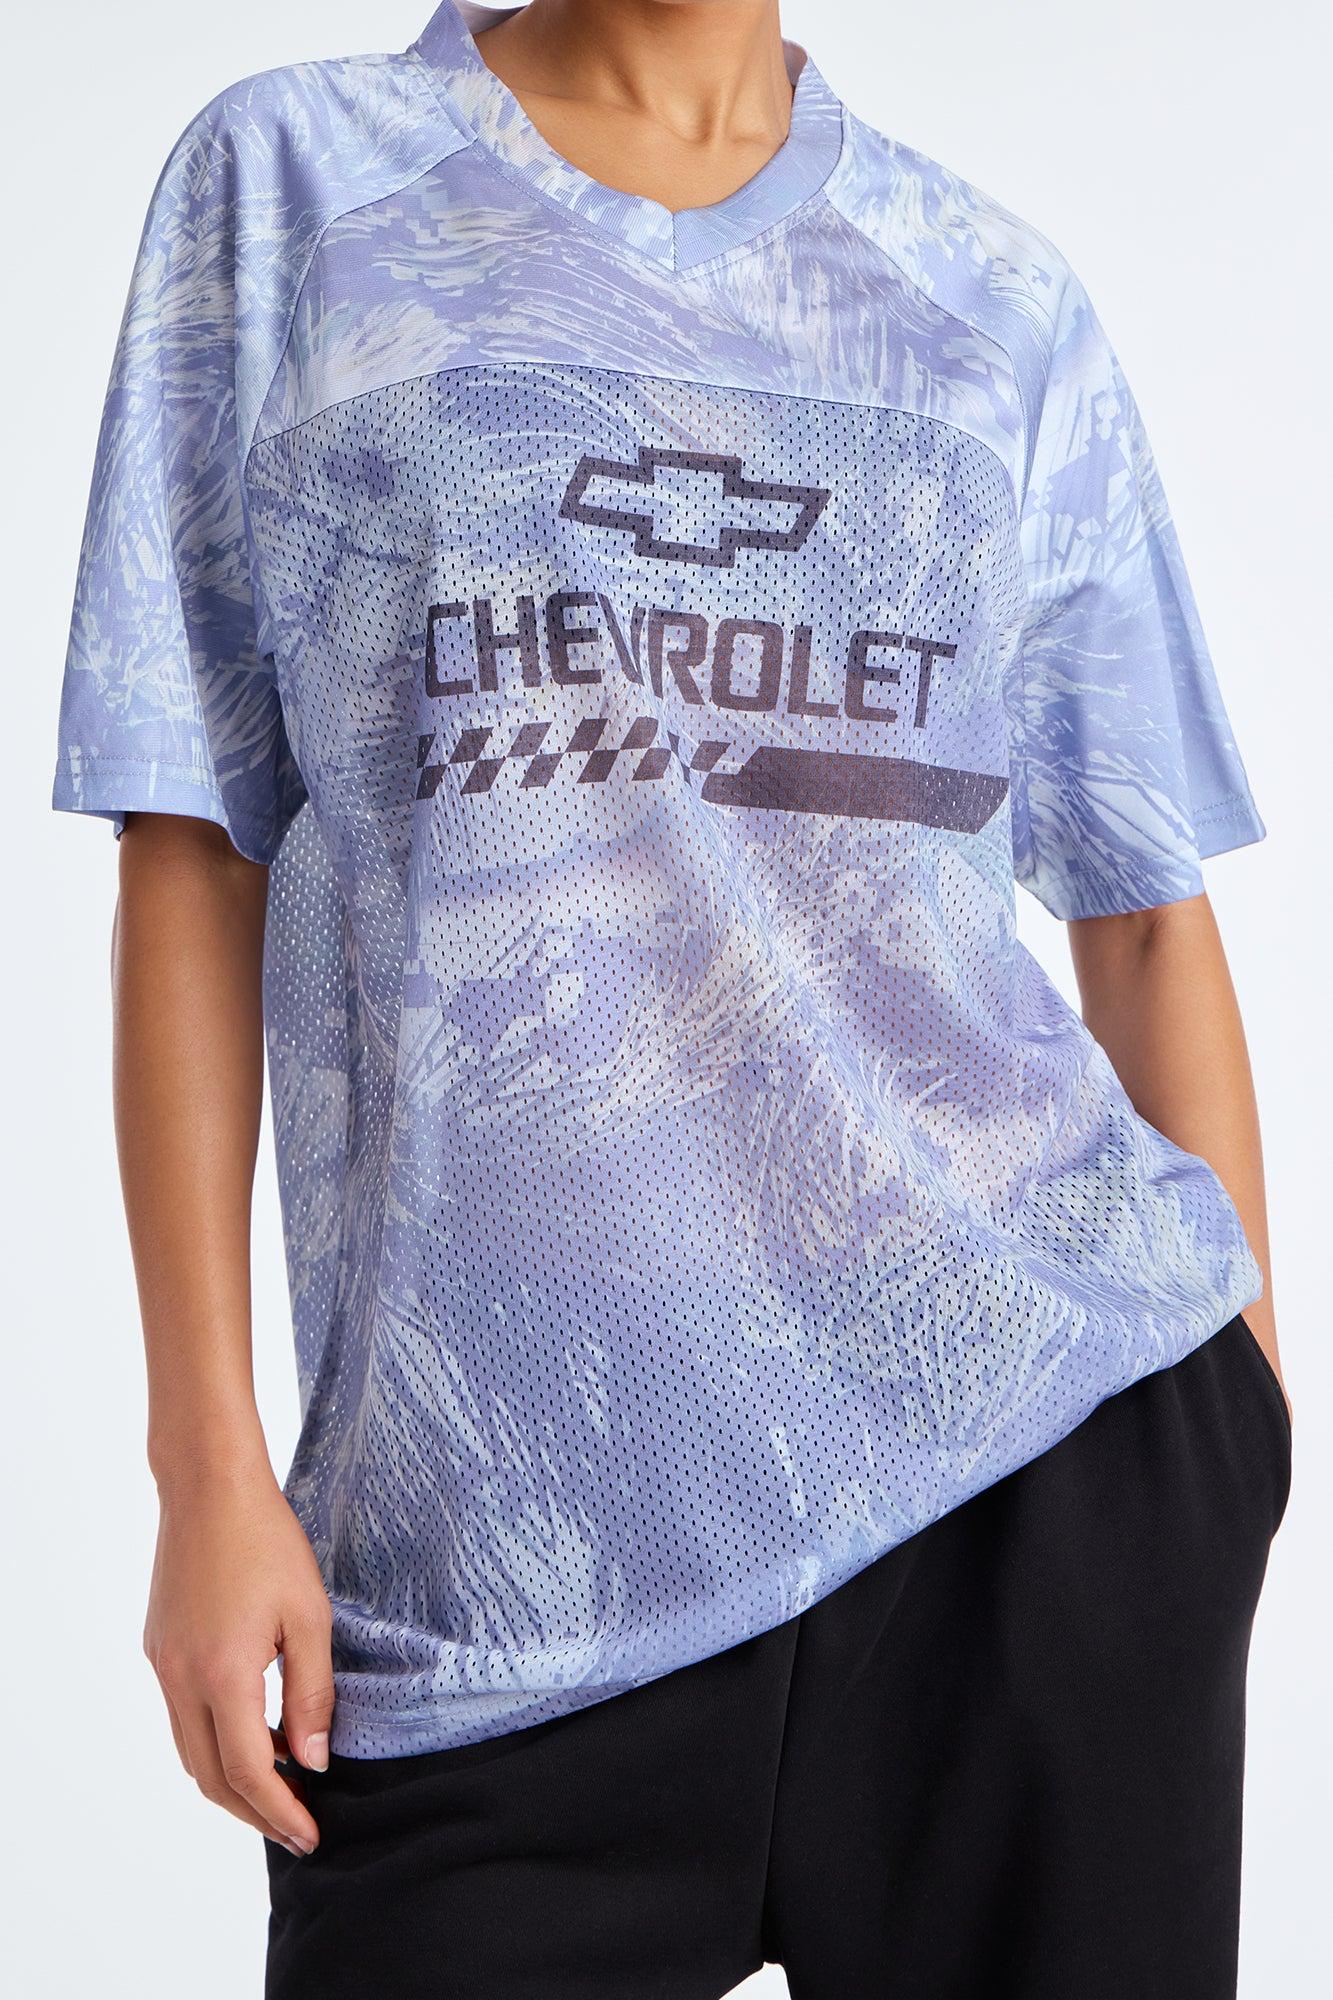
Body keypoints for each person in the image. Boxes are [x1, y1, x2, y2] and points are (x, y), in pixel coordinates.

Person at [51, 1, 1292, 1994]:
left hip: (1032, 1492)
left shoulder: (988, 302)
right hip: (492, 1567)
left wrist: (1239, 1423)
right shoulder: (298, 185)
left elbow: (1143, 911)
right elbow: (192, 841)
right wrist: (205, 1464)